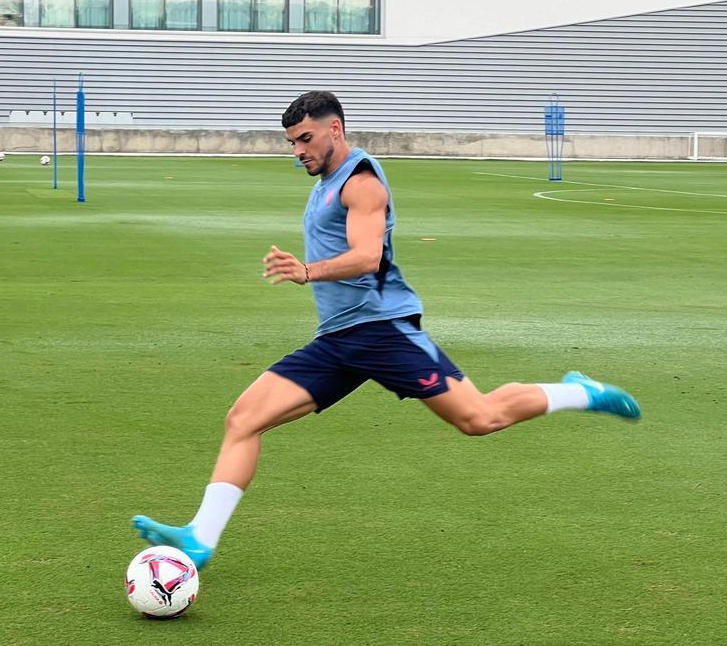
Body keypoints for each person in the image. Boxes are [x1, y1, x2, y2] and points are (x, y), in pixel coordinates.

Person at [131, 91, 642, 569]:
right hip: (337, 339)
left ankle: (579, 392)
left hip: (382, 330)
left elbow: (366, 256)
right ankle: (201, 537)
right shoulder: (325, 183)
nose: (298, 152)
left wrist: (306, 270)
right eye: (291, 143)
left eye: (305, 139)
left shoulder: (360, 182)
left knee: (479, 418)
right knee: (243, 418)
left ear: (336, 129)